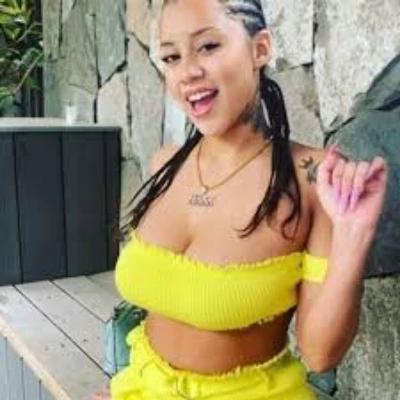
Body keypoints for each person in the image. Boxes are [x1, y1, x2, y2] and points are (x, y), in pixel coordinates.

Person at [93, 0, 388, 398]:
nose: (188, 71)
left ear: (259, 49)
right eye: (171, 57)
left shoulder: (314, 181)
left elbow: (320, 356)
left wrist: (354, 235)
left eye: (208, 46)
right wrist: (128, 384)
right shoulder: (165, 164)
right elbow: (161, 306)